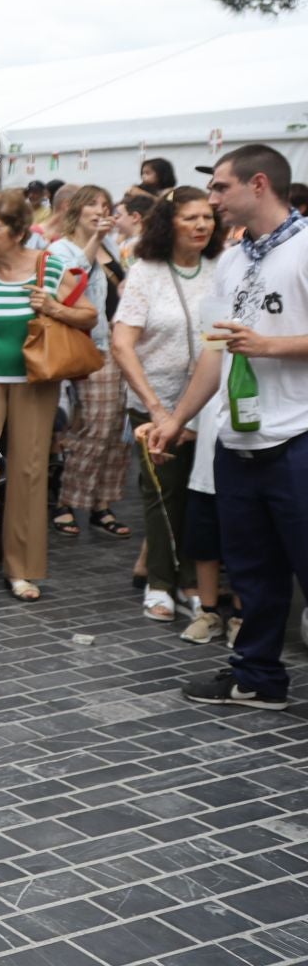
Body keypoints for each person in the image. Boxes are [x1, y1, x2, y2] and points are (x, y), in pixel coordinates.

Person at [149, 145, 308, 710]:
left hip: (297, 439)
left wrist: (271, 345)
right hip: (237, 441)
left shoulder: (305, 247)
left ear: (258, 184)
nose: (210, 201)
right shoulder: (234, 260)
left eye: (219, 188)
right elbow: (215, 354)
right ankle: (257, 678)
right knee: (253, 570)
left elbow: (258, 344)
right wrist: (176, 419)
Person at [0, 190, 94, 600]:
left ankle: (22, 569)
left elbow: (89, 314)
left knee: (29, 472)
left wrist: (54, 308)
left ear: (18, 232)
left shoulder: (49, 267)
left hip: (36, 380)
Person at [111, 187, 223, 629]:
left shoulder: (221, 268)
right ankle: (161, 582)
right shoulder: (146, 272)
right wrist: (156, 409)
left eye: (207, 217)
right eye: (190, 218)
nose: (201, 226)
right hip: (154, 402)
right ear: (167, 223)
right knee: (163, 494)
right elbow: (122, 345)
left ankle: (195, 584)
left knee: (202, 497)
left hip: (211, 405)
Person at [48, 186, 132, 542]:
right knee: (93, 427)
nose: (101, 210)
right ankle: (66, 500)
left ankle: (102, 504)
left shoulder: (111, 246)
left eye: (106, 205)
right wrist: (95, 240)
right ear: (76, 210)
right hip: (87, 345)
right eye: (94, 204)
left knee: (118, 430)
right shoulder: (59, 248)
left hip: (119, 343)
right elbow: (70, 283)